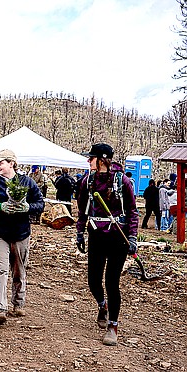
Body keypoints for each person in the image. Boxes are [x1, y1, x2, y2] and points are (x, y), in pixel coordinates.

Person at [75, 143, 138, 346]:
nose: (88, 161)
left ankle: (113, 325)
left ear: (102, 159)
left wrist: (133, 238)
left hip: (118, 238)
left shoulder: (123, 181)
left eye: (91, 158)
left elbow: (132, 211)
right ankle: (102, 305)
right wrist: (79, 233)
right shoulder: (87, 181)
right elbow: (83, 209)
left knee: (112, 282)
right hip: (96, 237)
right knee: (93, 281)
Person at [0, 149, 44, 325]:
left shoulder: (27, 182)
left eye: (1, 163)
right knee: (0, 269)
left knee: (18, 270)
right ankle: (0, 308)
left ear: (11, 163)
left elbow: (40, 203)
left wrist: (27, 208)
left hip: (21, 233)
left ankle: (18, 303)